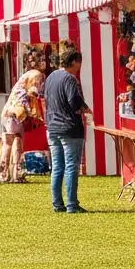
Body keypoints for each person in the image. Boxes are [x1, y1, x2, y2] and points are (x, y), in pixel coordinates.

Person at [42, 43, 89, 215]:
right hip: (69, 127)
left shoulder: (51, 76)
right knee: (71, 166)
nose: (79, 68)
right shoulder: (70, 79)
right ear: (74, 62)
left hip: (52, 127)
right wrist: (84, 108)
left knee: (57, 167)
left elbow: (44, 97)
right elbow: (73, 100)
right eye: (79, 64)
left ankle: (57, 203)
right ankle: (71, 204)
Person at [0, 64, 43, 183]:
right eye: (36, 82)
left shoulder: (21, 87)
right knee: (8, 144)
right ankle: (4, 174)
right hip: (12, 117)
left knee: (18, 144)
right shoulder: (21, 90)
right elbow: (20, 106)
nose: (38, 84)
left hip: (15, 118)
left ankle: (16, 174)